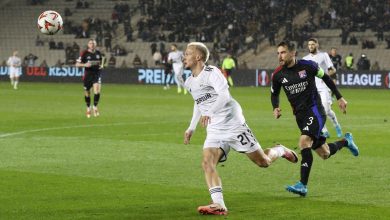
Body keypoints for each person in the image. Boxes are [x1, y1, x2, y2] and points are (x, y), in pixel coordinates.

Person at [183, 42, 299, 215]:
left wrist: (211, 112)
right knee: (207, 163)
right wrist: (191, 127)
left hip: (232, 122)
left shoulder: (212, 73)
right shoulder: (189, 81)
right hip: (215, 128)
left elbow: (224, 95)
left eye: (187, 53)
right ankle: (219, 204)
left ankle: (280, 150)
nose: (184, 56)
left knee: (263, 162)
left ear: (198, 57)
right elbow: (198, 103)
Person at [271, 41, 359, 197]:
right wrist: (275, 107)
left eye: (283, 52)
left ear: (293, 53)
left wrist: (339, 97)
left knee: (304, 142)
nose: (280, 56)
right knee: (324, 153)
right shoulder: (278, 74)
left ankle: (302, 185)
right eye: (278, 53)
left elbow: (326, 77)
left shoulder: (308, 66)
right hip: (300, 116)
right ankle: (346, 141)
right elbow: (274, 93)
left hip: (315, 110)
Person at [303, 38, 343, 138]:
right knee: (317, 110)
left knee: (326, 110)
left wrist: (324, 76)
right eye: (309, 44)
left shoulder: (323, 55)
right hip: (313, 88)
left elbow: (332, 70)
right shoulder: (305, 59)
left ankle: (336, 125)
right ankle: (324, 131)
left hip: (324, 87)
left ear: (317, 45)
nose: (311, 46)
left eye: (312, 44)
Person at [76, 39, 103, 118]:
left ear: (96, 45)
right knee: (87, 93)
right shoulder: (84, 53)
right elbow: (77, 64)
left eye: (94, 43)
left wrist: (101, 65)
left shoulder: (98, 53)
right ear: (88, 45)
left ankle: (95, 107)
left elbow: (101, 63)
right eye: (91, 43)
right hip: (88, 75)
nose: (92, 45)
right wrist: (84, 65)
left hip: (97, 74)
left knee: (97, 91)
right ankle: (88, 108)